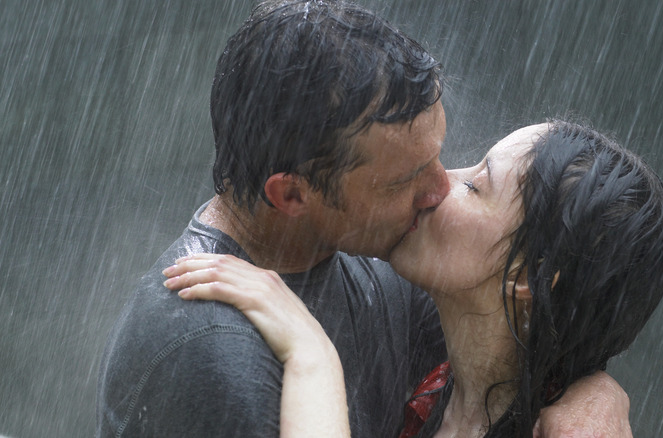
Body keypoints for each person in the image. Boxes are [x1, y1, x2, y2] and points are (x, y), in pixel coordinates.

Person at [97, 0, 631, 435]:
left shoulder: (372, 261)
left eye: (437, 158)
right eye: (405, 180)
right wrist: (315, 361)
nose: (440, 190)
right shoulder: (213, 359)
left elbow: (521, 326)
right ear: (291, 195)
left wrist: (596, 393)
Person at [164, 121, 663, 437]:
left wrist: (312, 358)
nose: (437, 185)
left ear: (530, 278)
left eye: (476, 185)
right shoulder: (440, 376)